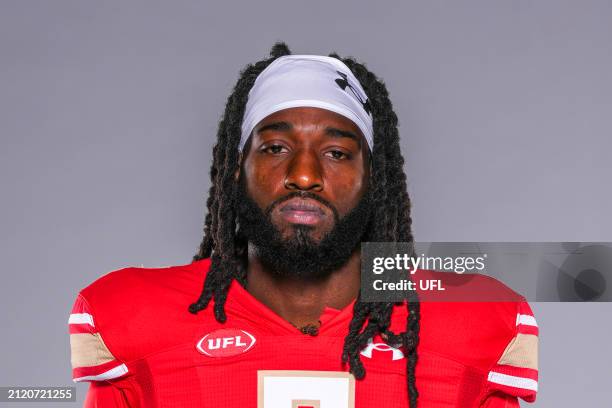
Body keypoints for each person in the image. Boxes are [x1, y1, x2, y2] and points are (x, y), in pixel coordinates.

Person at [68, 43, 539, 407]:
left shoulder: (474, 323)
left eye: (337, 154)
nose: (305, 176)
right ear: (237, 171)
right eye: (275, 148)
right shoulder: (135, 318)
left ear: (375, 180)